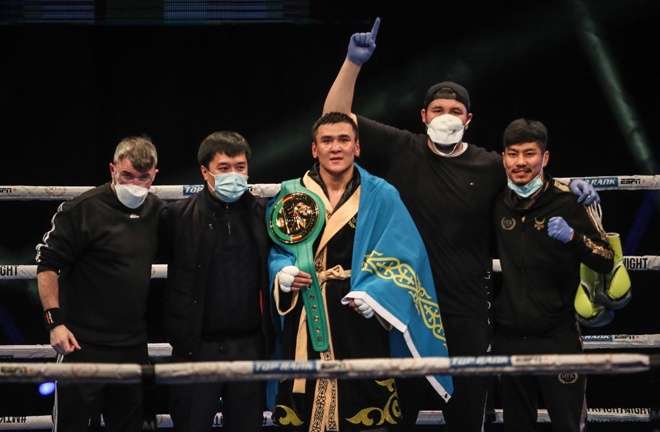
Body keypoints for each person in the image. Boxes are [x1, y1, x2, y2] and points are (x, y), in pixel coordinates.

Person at [322, 18, 601, 431]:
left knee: (469, 419)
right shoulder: (404, 147)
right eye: (439, 110)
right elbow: (334, 122)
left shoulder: (490, 164)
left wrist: (573, 186)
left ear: (469, 119)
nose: (446, 117)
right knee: (398, 418)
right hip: (406, 308)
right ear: (423, 115)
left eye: (455, 111)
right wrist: (352, 63)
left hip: (468, 313)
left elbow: (530, 176)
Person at [267, 112, 452, 432]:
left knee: (366, 412)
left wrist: (377, 295)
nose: (335, 147)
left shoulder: (381, 194)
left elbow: (405, 257)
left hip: (360, 314)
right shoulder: (292, 193)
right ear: (314, 149)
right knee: (301, 412)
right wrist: (283, 274)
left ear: (357, 146)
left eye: (343, 140)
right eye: (327, 140)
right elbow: (279, 250)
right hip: (307, 311)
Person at [491, 118, 614, 431]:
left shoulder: (569, 200)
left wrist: (574, 238)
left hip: (558, 334)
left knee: (567, 424)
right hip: (509, 336)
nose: (521, 162)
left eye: (530, 154)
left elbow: (607, 259)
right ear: (503, 157)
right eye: (513, 154)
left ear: (544, 158)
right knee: (517, 425)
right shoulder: (493, 200)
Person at [35, 136, 164, 432]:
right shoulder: (79, 210)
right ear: (112, 170)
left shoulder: (157, 211)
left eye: (143, 177)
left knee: (138, 426)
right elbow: (47, 265)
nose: (134, 184)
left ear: (154, 174)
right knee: (72, 426)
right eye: (127, 175)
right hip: (82, 343)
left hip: (133, 345)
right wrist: (54, 322)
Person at [159, 131, 276, 432]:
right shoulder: (176, 216)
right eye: (224, 168)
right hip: (195, 350)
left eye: (240, 167)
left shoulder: (265, 213)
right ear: (205, 172)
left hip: (249, 346)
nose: (234, 174)